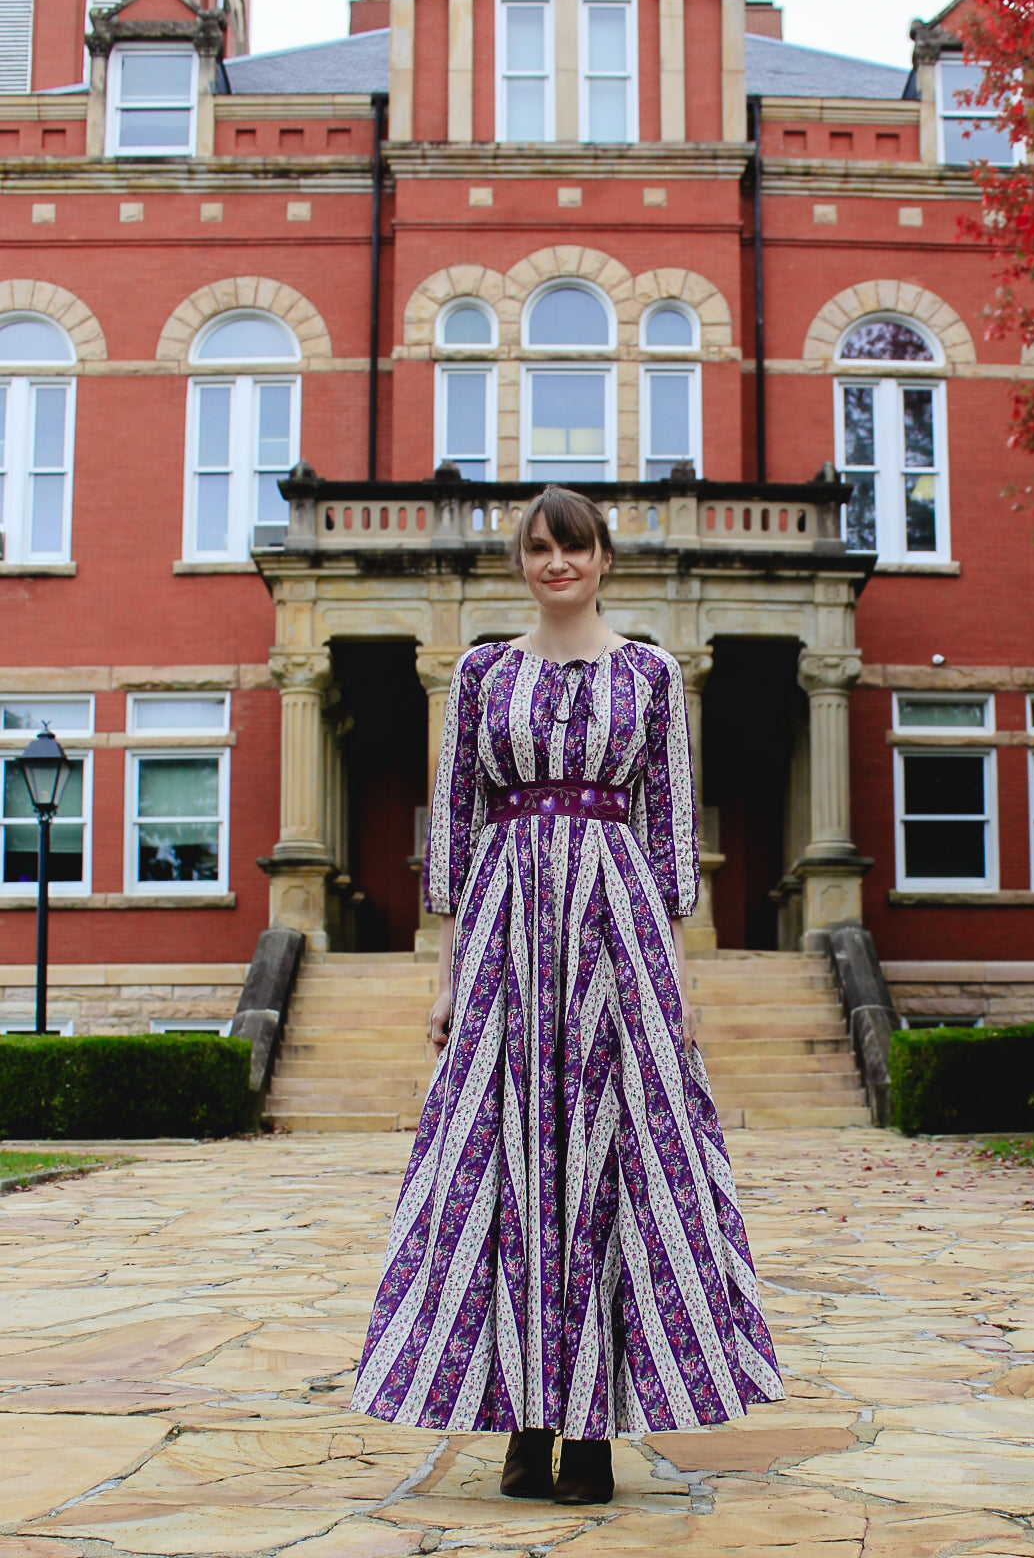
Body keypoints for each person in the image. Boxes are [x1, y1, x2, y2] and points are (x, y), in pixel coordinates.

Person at [351, 485, 784, 1503]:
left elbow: (669, 829)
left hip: (615, 928)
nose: (558, 563)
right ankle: (524, 1420)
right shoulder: (480, 672)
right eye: (541, 548)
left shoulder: (650, 674)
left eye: (575, 547)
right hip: (504, 925)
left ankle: (591, 1429)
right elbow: (454, 824)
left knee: (611, 1166)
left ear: (602, 558)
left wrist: (675, 983)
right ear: (521, 561)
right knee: (504, 1166)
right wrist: (445, 977)